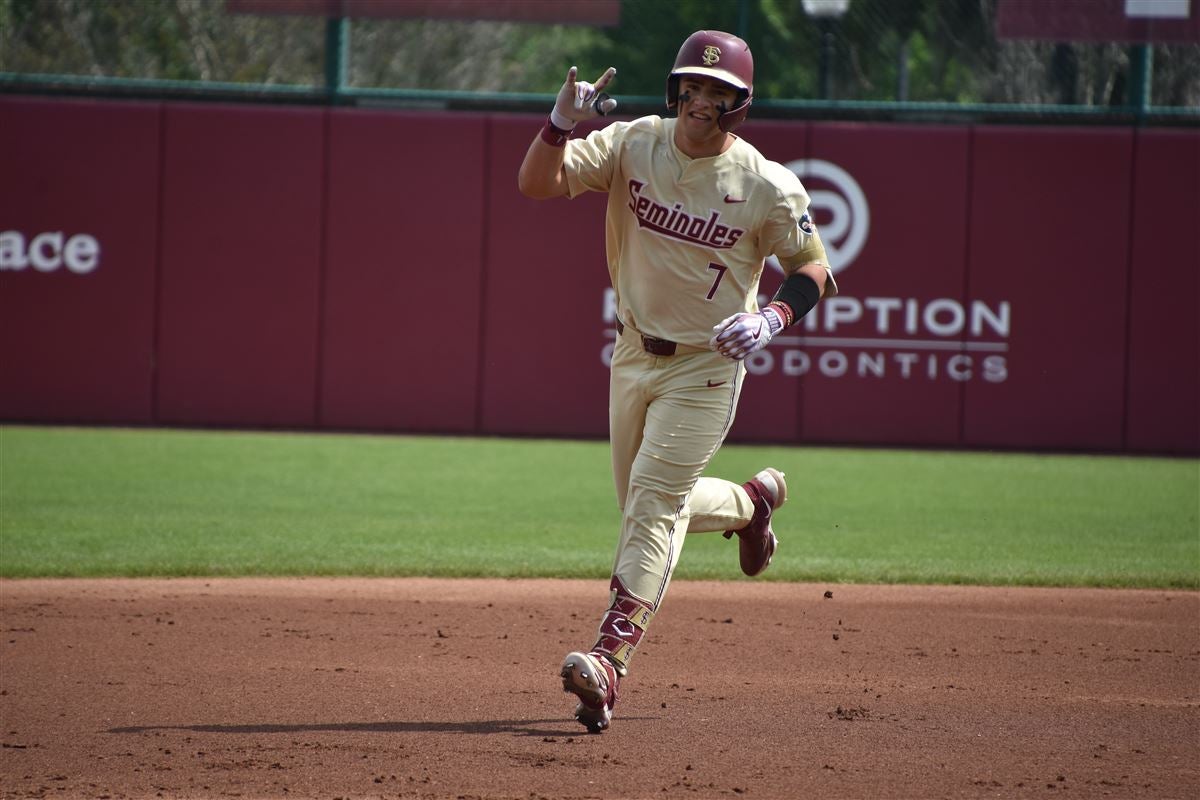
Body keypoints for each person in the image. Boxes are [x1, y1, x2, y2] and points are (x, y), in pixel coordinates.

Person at [517, 29, 838, 733]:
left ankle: (609, 660)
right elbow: (536, 183)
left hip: (708, 364)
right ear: (675, 91)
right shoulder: (634, 143)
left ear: (739, 103)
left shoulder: (766, 183)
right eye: (692, 86)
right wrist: (559, 124)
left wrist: (775, 317)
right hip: (634, 354)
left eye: (718, 91)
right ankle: (752, 505)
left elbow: (814, 268)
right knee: (648, 502)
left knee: (653, 505)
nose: (702, 100)